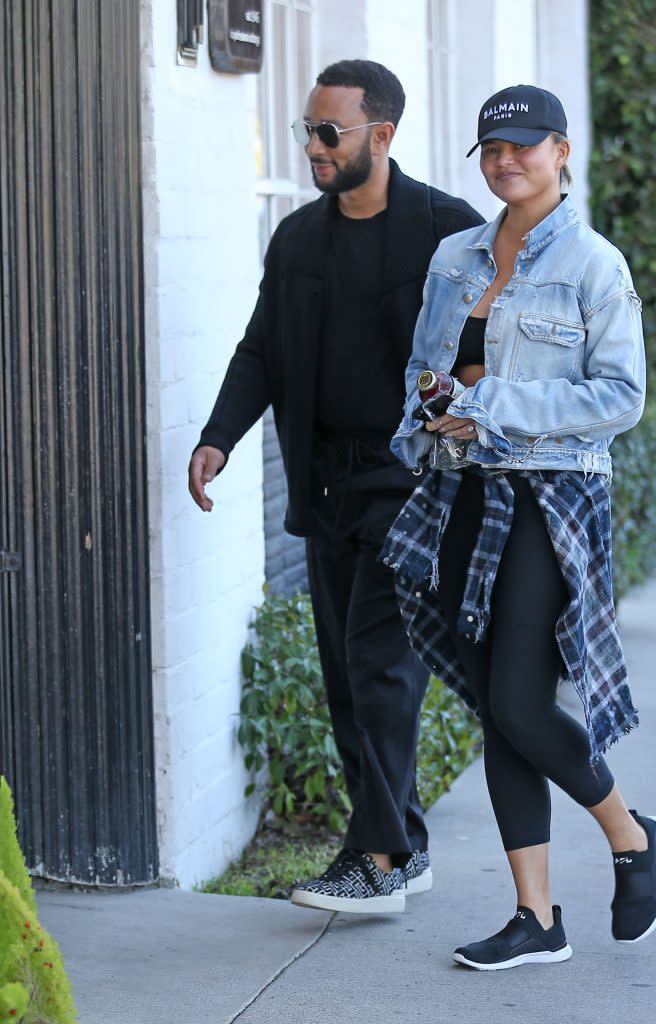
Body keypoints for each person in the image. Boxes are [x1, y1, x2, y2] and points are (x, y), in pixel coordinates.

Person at [382, 85, 656, 968]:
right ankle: (537, 918)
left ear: (562, 149)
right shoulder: (453, 256)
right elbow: (426, 367)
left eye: (525, 145)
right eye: (493, 149)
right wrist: (428, 417)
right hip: (460, 489)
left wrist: (490, 404)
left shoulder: (593, 265)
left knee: (516, 700)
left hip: (548, 497)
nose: (507, 161)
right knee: (503, 715)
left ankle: (631, 836)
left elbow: (620, 397)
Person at [188, 60, 483, 914]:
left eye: (329, 133)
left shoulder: (447, 230)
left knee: (380, 665)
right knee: (347, 676)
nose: (314, 148)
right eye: (307, 132)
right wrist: (218, 435)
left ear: (380, 136)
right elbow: (260, 350)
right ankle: (402, 845)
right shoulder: (297, 241)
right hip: (328, 487)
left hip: (414, 482)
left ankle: (380, 860)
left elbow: (494, 351)